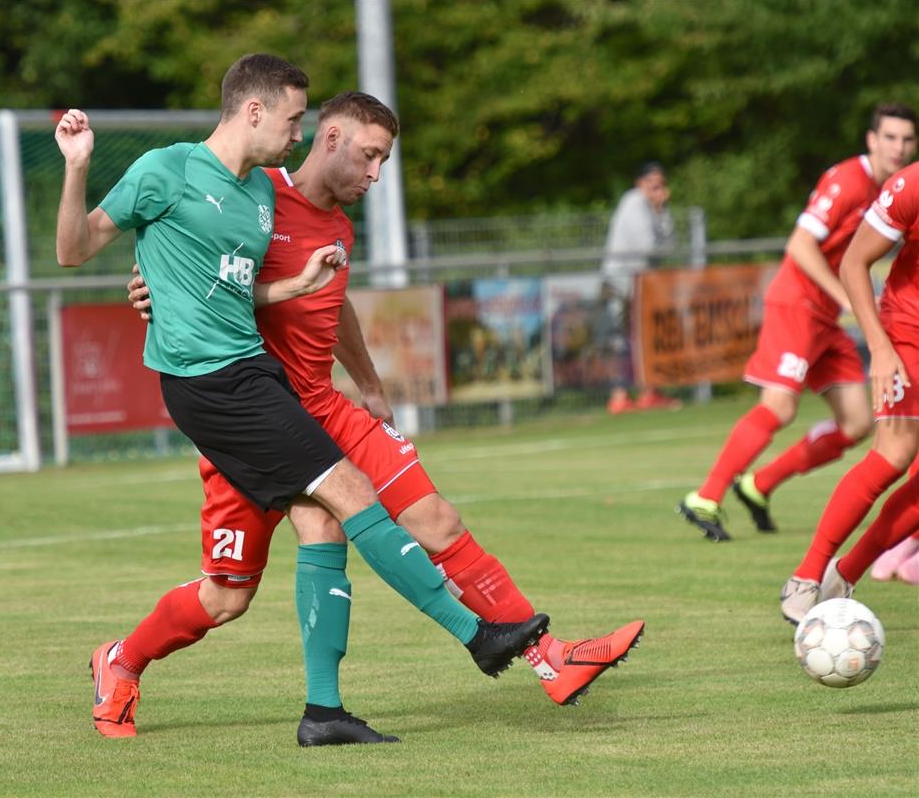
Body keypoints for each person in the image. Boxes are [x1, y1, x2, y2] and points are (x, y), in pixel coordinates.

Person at [56, 55, 549, 745]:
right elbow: (73, 250)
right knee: (350, 495)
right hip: (212, 387)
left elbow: (235, 292)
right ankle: (477, 637)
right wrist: (79, 167)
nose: (298, 132)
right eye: (293, 119)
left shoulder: (257, 197)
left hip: (256, 379)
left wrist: (298, 286)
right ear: (254, 111)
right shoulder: (164, 170)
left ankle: (314, 711)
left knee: (253, 578)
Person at [128, 91, 645, 728]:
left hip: (326, 404)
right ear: (331, 138)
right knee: (226, 597)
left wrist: (369, 383)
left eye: (384, 162)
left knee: (439, 522)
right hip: (255, 418)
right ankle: (122, 660)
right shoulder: (254, 199)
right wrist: (150, 287)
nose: (376, 175)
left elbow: (331, 303)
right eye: (370, 157)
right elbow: (190, 264)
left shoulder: (340, 226)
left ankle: (548, 659)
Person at [678, 104, 917, 542]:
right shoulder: (849, 180)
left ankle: (759, 484)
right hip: (798, 305)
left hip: (826, 317)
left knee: (858, 424)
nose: (898, 148)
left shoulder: (897, 188)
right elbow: (800, 245)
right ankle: (706, 497)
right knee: (780, 406)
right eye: (890, 137)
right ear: (871, 140)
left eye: (906, 139)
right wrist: (846, 294)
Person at [781, 160, 919, 623]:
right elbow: (853, 261)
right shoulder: (912, 184)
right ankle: (806, 574)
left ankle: (846, 573)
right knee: (895, 454)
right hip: (907, 330)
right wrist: (880, 347)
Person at [600, 161, 680, 414]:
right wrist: (657, 211)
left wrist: (661, 210)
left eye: (660, 184)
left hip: (641, 282)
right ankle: (620, 396)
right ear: (640, 183)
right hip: (620, 280)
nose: (657, 189)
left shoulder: (654, 208)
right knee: (620, 337)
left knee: (644, 336)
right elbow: (648, 246)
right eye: (651, 184)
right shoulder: (634, 202)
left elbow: (671, 245)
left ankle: (649, 392)